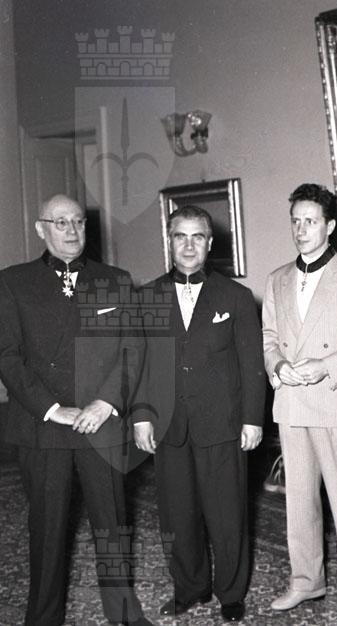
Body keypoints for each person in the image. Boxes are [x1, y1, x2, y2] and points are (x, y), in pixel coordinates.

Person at [0, 194, 152, 626]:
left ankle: (124, 614)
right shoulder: (12, 282)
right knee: (47, 530)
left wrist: (106, 401)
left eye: (79, 222)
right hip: (43, 426)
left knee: (112, 523)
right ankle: (42, 618)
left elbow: (133, 347)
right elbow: (7, 356)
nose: (72, 230)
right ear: (40, 229)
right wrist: (52, 409)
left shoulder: (115, 279)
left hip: (101, 422)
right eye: (61, 222)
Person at [133, 205, 264, 623]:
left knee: (227, 515)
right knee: (177, 515)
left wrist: (253, 419)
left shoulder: (236, 297)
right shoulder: (146, 297)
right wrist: (140, 416)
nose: (188, 246)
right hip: (168, 425)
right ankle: (190, 588)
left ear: (210, 243)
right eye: (180, 236)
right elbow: (137, 362)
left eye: (197, 237)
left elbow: (251, 363)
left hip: (222, 424)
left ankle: (231, 593)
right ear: (169, 241)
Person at [262, 183, 337, 624]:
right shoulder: (277, 279)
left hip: (335, 403)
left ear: (330, 226)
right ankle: (306, 581)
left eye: (310, 221)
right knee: (299, 503)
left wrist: (325, 366)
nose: (301, 230)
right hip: (292, 403)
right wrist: (277, 366)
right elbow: (269, 337)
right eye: (296, 221)